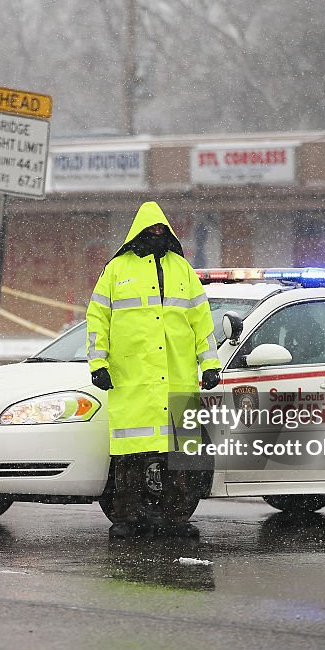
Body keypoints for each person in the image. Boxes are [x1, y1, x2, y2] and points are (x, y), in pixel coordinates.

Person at [86, 201, 221, 538]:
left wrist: (211, 363)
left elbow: (201, 323)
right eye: (151, 230)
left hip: (176, 378)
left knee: (179, 458)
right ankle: (126, 519)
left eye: (161, 229)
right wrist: (98, 362)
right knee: (130, 456)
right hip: (132, 379)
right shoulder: (116, 270)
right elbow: (96, 320)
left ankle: (177, 519)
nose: (156, 234)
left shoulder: (183, 270)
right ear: (138, 233)